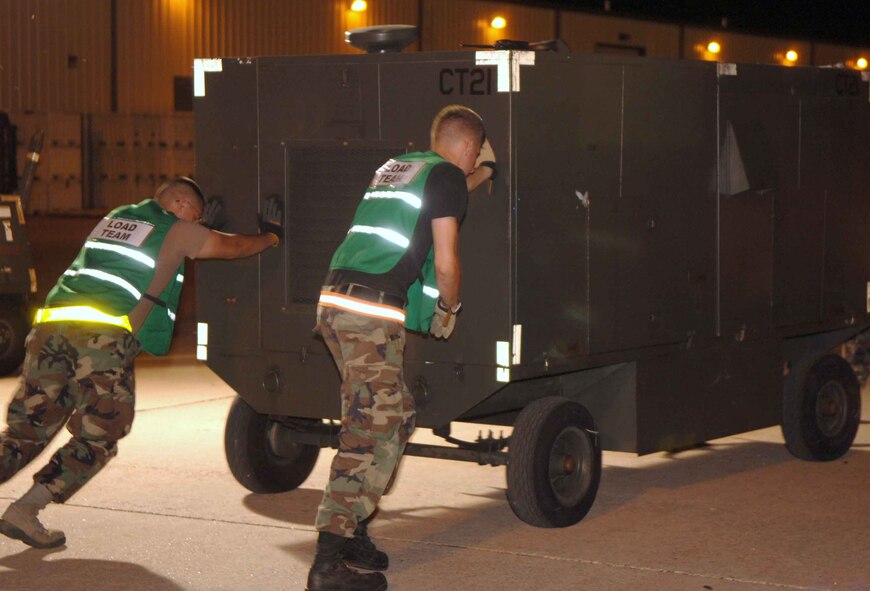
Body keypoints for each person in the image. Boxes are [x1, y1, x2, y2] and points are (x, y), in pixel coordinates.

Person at [0, 177, 282, 549]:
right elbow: (233, 247)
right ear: (181, 204)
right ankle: (26, 510)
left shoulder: (117, 217)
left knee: (27, 429)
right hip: (100, 341)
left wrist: (198, 228)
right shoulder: (177, 228)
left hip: (49, 332)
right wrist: (272, 236)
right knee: (100, 434)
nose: (196, 223)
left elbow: (158, 253)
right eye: (195, 215)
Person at [307, 105, 496, 591]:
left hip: (337, 303)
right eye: (476, 154)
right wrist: (448, 308)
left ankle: (353, 532)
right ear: (468, 148)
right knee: (369, 432)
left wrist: (486, 173)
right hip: (369, 315)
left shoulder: (400, 168)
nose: (474, 163)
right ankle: (328, 564)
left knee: (395, 418)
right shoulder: (446, 177)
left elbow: (451, 190)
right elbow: (447, 263)